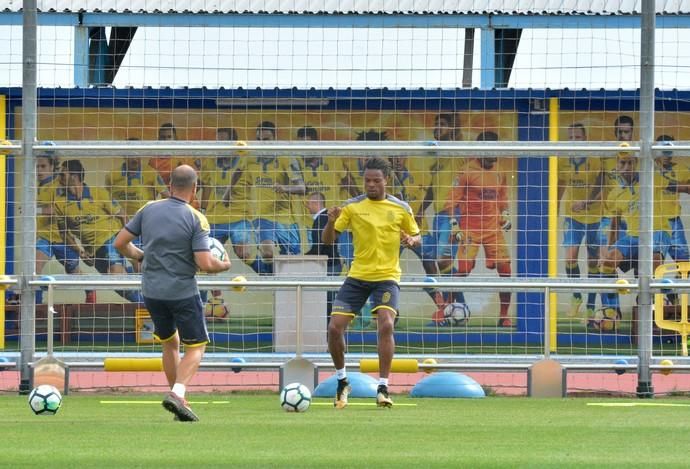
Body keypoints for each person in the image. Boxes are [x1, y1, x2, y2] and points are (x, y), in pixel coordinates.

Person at [113, 165, 231, 422]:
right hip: (182, 292)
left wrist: (140, 255)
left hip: (152, 291)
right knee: (196, 348)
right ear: (195, 189)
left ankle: (179, 401)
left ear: (169, 186)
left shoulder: (148, 209)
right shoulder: (195, 218)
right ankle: (177, 393)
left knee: (170, 343)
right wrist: (225, 264)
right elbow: (206, 264)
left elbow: (120, 243)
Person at [323, 157, 421, 409]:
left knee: (386, 323)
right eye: (367, 180)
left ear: (386, 180)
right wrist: (330, 220)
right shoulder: (353, 207)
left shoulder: (400, 208)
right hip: (357, 276)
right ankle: (342, 381)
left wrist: (411, 240)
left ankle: (383, 386)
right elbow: (328, 241)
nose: (371, 185)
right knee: (335, 328)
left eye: (376, 181)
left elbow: (417, 236)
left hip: (387, 277)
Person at [444, 131, 513, 328]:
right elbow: (451, 201)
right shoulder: (466, 171)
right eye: (491, 149)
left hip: (493, 230)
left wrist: (505, 214)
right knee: (463, 270)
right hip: (470, 230)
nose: (495, 153)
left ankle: (504, 315)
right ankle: (447, 306)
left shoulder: (500, 171)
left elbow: (502, 197)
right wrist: (454, 224)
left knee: (506, 271)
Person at [53, 159, 141, 303]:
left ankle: (149, 305)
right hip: (94, 250)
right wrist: (80, 252)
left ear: (74, 176)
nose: (59, 178)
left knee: (117, 277)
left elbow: (122, 215)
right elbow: (64, 233)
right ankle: (146, 304)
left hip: (113, 238)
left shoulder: (98, 193)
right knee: (120, 286)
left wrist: (128, 239)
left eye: (62, 174)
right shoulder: (60, 204)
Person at [199, 128, 258, 310]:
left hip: (239, 217)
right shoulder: (210, 163)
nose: (220, 146)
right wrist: (202, 211)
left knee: (244, 253)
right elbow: (207, 188)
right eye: (218, 142)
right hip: (215, 218)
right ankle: (216, 298)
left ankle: (268, 272)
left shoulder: (243, 163)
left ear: (233, 145)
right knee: (208, 260)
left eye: (224, 142)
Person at [245, 121, 306, 274]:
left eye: (266, 140)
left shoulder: (286, 158)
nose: (262, 143)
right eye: (259, 140)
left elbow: (302, 188)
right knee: (267, 253)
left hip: (286, 218)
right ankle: (270, 277)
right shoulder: (250, 160)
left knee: (292, 260)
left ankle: (279, 282)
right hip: (262, 216)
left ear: (274, 138)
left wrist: (284, 188)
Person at [558, 123, 604, 319]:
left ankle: (591, 305)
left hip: (595, 216)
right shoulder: (563, 161)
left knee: (593, 262)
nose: (574, 141)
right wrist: (554, 208)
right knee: (570, 257)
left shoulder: (594, 160)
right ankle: (576, 296)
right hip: (573, 216)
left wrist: (586, 203)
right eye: (570, 137)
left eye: (577, 137)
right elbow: (560, 185)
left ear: (584, 139)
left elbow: (600, 185)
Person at [35, 143, 90, 303]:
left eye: (43, 166)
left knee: (72, 271)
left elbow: (57, 208)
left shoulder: (60, 185)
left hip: (63, 238)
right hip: (45, 237)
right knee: (34, 267)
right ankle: (36, 302)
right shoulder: (38, 185)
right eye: (37, 166)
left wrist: (34, 210)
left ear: (53, 167)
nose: (39, 170)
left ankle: (89, 288)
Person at [305, 191, 342, 320]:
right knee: (328, 299)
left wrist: (302, 258)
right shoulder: (324, 218)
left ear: (316, 203)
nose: (307, 206)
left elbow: (320, 247)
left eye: (308, 203)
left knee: (328, 300)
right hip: (331, 264)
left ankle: (329, 329)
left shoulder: (322, 219)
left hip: (330, 266)